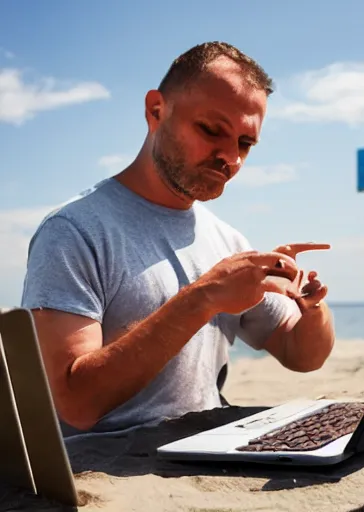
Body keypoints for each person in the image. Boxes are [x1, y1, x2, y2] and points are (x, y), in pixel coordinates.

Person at [21, 41, 335, 438]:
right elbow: (75, 404)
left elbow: (303, 356)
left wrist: (311, 308)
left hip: (208, 452)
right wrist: (204, 297)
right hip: (107, 472)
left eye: (245, 143)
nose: (231, 158)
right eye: (211, 130)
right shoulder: (73, 231)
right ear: (156, 110)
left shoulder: (228, 241)